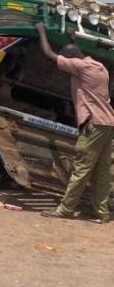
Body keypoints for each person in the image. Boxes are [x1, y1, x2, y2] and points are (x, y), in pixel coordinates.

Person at [35, 22, 114, 223]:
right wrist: (72, 39)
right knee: (102, 169)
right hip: (107, 123)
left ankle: (66, 209)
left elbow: (49, 54)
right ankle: (102, 212)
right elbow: (76, 53)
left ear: (71, 61)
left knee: (82, 168)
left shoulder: (80, 67)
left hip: (94, 124)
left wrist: (41, 30)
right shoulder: (98, 66)